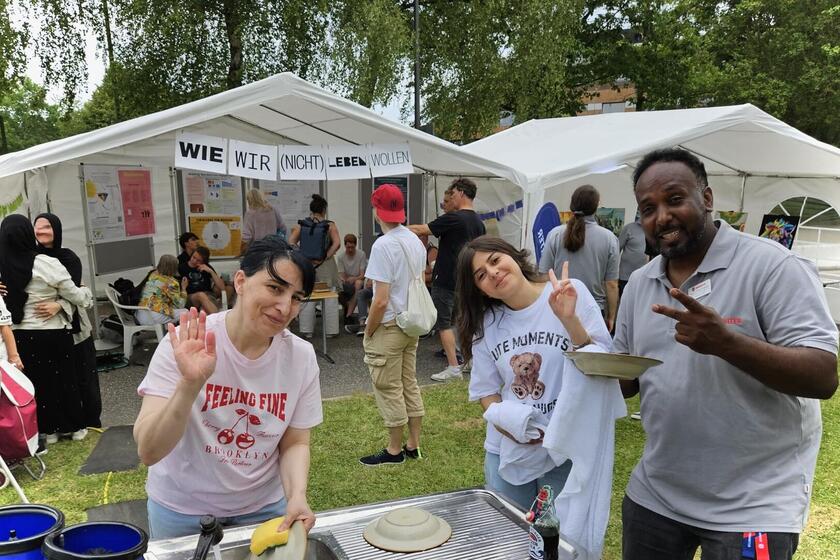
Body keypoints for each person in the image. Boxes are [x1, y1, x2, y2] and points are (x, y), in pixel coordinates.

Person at [615, 148, 838, 560]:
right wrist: (587, 359)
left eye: (674, 199)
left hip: (756, 504)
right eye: (648, 208)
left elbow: (823, 375)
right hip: (658, 493)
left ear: (708, 198)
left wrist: (727, 343)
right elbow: (629, 380)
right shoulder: (642, 284)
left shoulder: (773, 267)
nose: (661, 216)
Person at [134, 237, 322, 539]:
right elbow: (148, 450)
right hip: (182, 511)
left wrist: (296, 494)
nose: (285, 307)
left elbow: (296, 441)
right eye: (275, 288)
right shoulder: (185, 343)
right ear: (240, 281)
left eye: (297, 297)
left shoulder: (299, 357)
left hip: (263, 509)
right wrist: (190, 384)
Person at [456, 235, 613, 510]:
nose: (493, 273)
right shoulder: (486, 325)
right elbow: (486, 392)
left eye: (495, 260)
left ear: (513, 256)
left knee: (559, 540)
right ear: (480, 289)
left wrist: (569, 320)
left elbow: (602, 364)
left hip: (565, 446)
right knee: (510, 535)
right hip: (507, 450)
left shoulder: (567, 291)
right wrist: (512, 429)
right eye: (481, 275)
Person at [0, 215, 92, 447]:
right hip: (50, 331)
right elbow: (77, 296)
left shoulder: (2, 265)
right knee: (64, 381)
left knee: (37, 384)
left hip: (18, 333)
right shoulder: (44, 262)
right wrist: (86, 292)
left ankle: (47, 430)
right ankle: (74, 427)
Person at [359, 184, 427, 466]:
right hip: (411, 324)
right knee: (408, 383)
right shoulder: (413, 239)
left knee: (388, 387)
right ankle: (413, 445)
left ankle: (394, 450)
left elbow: (380, 300)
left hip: (389, 326)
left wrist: (368, 329)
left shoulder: (382, 245)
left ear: (377, 210)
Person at [409, 178, 485, 381]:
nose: (449, 199)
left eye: (451, 195)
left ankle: (453, 366)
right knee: (465, 322)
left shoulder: (454, 218)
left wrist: (395, 228)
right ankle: (469, 361)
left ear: (460, 193)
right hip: (467, 281)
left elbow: (421, 230)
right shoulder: (478, 222)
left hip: (446, 279)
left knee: (443, 323)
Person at [34, 212, 102, 431]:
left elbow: (76, 293)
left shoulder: (68, 257)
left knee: (85, 380)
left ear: (57, 230)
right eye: (37, 227)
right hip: (49, 332)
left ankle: (91, 422)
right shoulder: (29, 258)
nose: (41, 231)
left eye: (47, 227)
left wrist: (59, 305)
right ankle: (70, 424)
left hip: (76, 330)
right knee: (61, 381)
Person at [538, 185, 619, 331]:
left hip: (559, 307)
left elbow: (544, 276)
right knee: (589, 352)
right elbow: (611, 284)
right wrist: (612, 316)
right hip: (593, 310)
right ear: (597, 205)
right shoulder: (609, 238)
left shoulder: (555, 234)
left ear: (572, 204)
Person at [289, 194, 341, 337]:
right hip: (326, 265)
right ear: (324, 209)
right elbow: (337, 243)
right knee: (330, 296)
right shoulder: (330, 225)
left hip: (307, 265)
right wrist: (326, 256)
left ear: (311, 209)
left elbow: (291, 242)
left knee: (307, 295)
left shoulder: (303, 225)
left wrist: (303, 255)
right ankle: (331, 331)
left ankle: (307, 331)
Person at [135, 255, 186, 326]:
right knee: (186, 312)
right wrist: (183, 289)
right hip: (153, 318)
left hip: (140, 315)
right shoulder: (172, 283)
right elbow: (180, 305)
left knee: (168, 309)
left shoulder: (152, 274)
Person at [241, 189, 287, 255]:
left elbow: (246, 236)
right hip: (274, 247)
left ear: (250, 200)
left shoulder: (250, 213)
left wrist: (242, 251)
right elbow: (283, 227)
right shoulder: (273, 209)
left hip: (258, 250)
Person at [182, 246, 226, 314]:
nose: (194, 261)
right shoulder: (182, 267)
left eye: (198, 260)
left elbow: (222, 287)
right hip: (191, 297)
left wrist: (211, 271)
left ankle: (213, 319)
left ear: (203, 261)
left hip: (208, 295)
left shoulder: (206, 267)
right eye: (193, 257)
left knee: (204, 312)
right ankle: (218, 319)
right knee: (201, 295)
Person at [337, 234, 367, 322]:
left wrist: (353, 278)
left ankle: (348, 314)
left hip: (358, 279)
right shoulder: (341, 257)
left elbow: (362, 275)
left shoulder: (361, 254)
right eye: (348, 247)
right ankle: (348, 310)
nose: (350, 250)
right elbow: (341, 275)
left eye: (352, 247)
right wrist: (344, 279)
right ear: (345, 246)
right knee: (339, 288)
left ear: (355, 246)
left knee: (358, 284)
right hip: (347, 282)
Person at [617, 218, 648, 298]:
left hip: (645, 277)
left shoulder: (654, 228)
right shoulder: (629, 228)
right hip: (626, 276)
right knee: (625, 301)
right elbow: (617, 249)